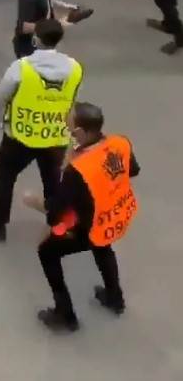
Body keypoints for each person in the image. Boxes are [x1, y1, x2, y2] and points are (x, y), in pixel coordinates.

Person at [0, 18, 83, 242]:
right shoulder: (74, 68)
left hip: (20, 136)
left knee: (6, 177)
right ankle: (56, 222)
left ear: (36, 40)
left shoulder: (22, 67)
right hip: (55, 137)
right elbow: (71, 101)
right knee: (52, 181)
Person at [37, 101, 139, 331]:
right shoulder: (120, 143)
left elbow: (56, 209)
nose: (68, 132)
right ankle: (114, 297)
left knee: (47, 252)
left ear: (81, 133)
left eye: (70, 128)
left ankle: (65, 314)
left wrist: (36, 202)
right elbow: (132, 170)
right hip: (113, 214)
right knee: (103, 247)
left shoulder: (78, 169)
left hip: (89, 223)